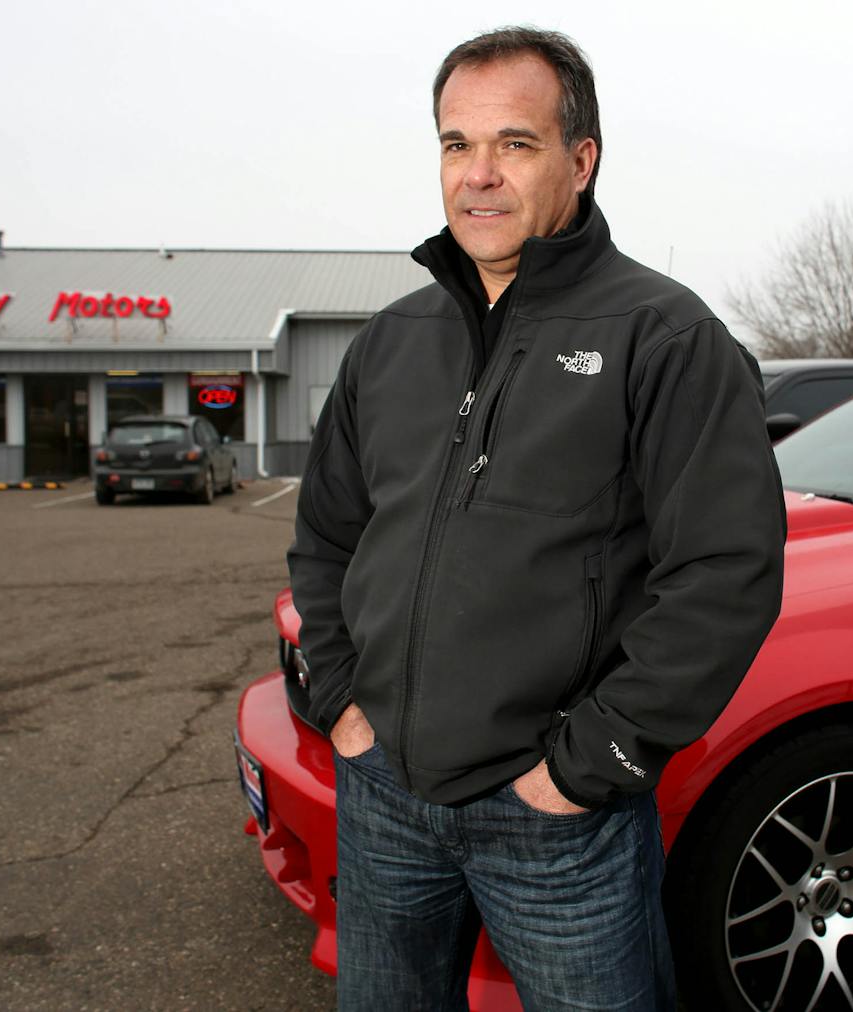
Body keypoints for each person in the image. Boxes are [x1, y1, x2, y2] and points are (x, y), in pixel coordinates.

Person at [287, 26, 786, 1011]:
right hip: (385, 792)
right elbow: (327, 539)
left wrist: (589, 761)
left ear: (580, 159)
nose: (476, 175)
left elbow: (724, 573)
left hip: (555, 818)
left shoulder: (665, 338)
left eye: (512, 143)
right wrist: (340, 704)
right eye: (452, 144)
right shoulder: (390, 342)